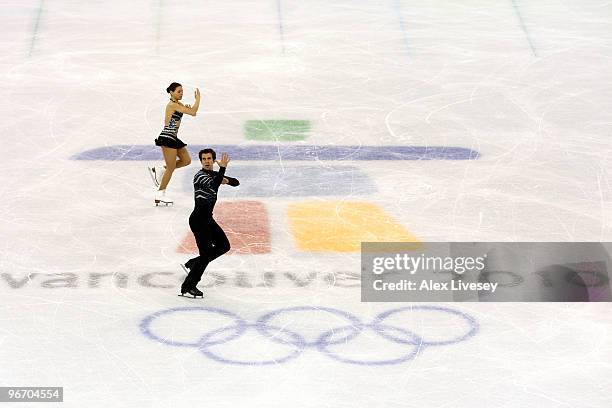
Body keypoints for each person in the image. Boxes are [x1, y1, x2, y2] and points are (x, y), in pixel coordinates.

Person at [180, 149, 239, 298]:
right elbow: (214, 185)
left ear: (213, 160)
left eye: (209, 158)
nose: (206, 161)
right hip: (198, 220)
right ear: (201, 161)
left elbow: (235, 182)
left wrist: (225, 179)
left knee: (224, 245)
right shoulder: (199, 176)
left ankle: (194, 263)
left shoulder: (213, 175)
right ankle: (188, 286)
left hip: (208, 219)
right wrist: (222, 171)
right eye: (204, 159)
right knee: (205, 255)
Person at [148, 82, 201, 206]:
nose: (181, 93)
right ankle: (160, 193)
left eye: (182, 91)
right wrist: (197, 100)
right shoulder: (172, 105)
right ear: (171, 92)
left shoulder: (178, 104)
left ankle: (161, 169)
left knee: (186, 160)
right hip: (167, 138)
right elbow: (193, 112)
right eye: (178, 91)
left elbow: (189, 111)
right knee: (171, 167)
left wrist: (187, 108)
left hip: (173, 137)